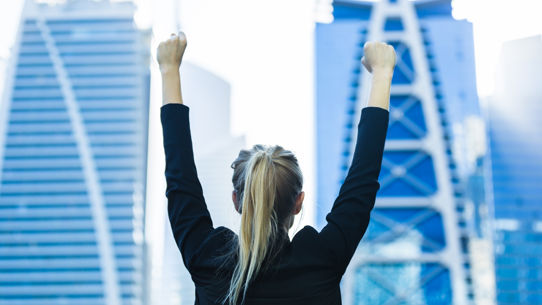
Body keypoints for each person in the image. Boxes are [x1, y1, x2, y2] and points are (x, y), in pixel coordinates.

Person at [158, 31, 396, 305]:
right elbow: (362, 181)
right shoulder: (321, 260)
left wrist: (169, 69)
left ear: (237, 201)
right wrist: (382, 73)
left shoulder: (208, 260)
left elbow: (180, 180)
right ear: (298, 202)